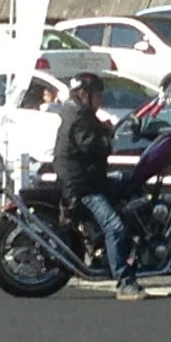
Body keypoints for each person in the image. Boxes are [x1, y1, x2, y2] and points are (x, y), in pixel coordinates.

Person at [53, 71, 146, 301]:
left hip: (90, 180)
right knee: (115, 228)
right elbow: (92, 146)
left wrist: (104, 128)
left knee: (132, 184)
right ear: (84, 94)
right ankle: (124, 282)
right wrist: (108, 138)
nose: (100, 100)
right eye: (98, 95)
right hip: (83, 187)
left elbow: (92, 135)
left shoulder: (77, 112)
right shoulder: (78, 118)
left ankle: (121, 252)